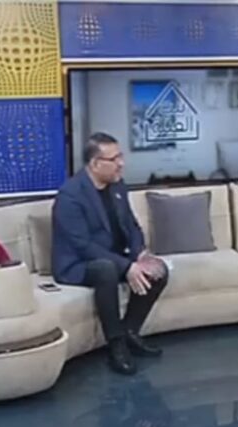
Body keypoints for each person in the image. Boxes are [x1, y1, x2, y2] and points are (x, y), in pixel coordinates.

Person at [52, 132, 169, 375]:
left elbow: (131, 225)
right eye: (114, 159)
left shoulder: (117, 186)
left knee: (158, 270)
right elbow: (82, 245)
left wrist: (139, 254)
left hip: (115, 257)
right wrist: (127, 267)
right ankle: (116, 345)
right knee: (105, 269)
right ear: (95, 164)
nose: (121, 163)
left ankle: (130, 332)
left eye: (120, 156)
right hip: (78, 264)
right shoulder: (70, 196)